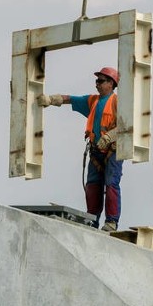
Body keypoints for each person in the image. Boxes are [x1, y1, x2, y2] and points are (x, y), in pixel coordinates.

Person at [37, 66, 123, 232]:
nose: (97, 84)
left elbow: (127, 125)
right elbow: (71, 99)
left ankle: (111, 222)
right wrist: (51, 100)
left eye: (100, 81)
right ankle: (92, 220)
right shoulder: (93, 101)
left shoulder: (118, 102)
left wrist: (109, 137)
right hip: (96, 153)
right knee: (93, 185)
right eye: (96, 80)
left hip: (113, 152)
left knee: (111, 183)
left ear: (111, 83)